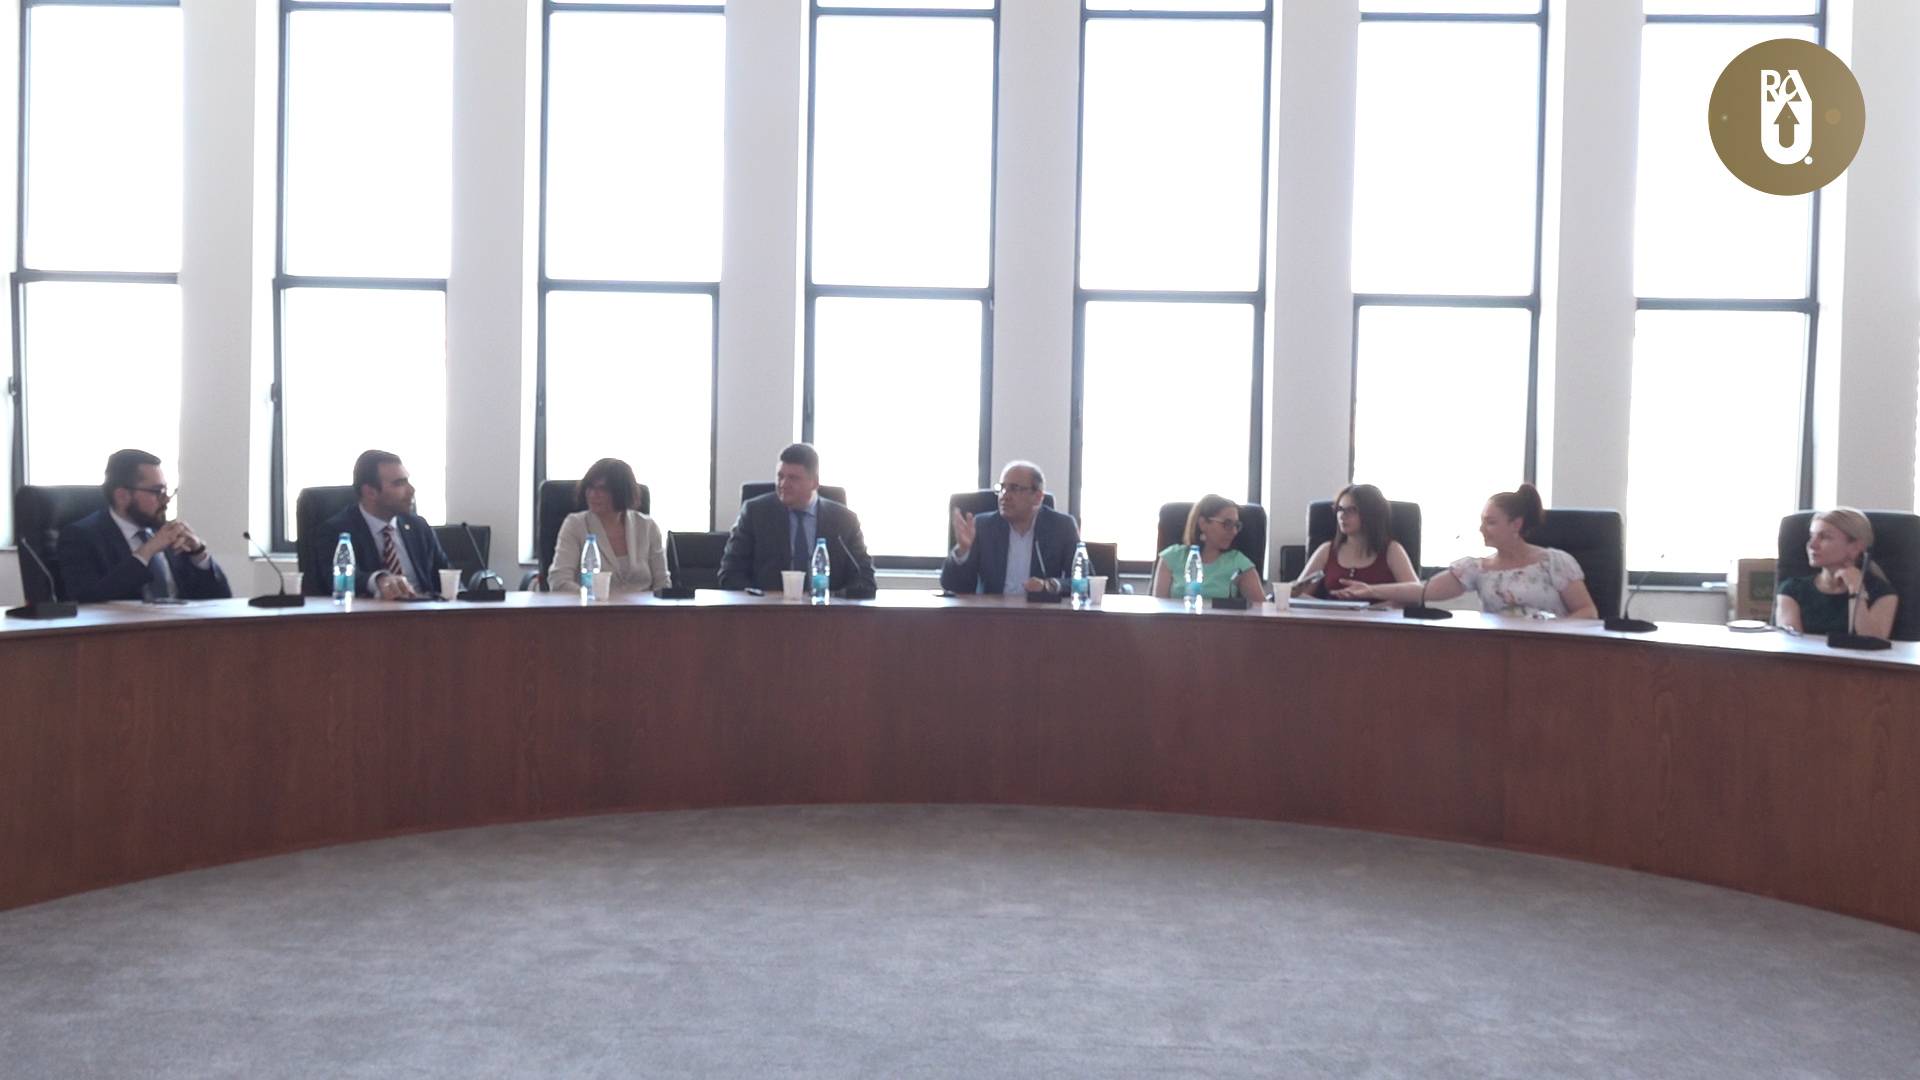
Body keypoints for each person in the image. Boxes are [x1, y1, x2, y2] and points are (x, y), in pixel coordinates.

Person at [1334, 483, 1598, 619]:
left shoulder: (1553, 562)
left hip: (1553, 650)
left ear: (1516, 524)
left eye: (1490, 522)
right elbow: (1424, 590)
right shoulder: (1476, 568)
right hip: (1500, 651)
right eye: (1482, 521)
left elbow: (1588, 611)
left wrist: (1551, 629)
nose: (1482, 529)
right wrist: (1371, 591)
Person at [57, 449, 232, 602]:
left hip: (181, 627)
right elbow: (87, 599)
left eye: (166, 490)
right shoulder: (81, 537)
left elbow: (221, 599)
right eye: (157, 491)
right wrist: (147, 551)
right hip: (125, 629)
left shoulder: (170, 534)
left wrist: (198, 554)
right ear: (122, 496)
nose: (166, 499)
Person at [719, 443, 875, 593]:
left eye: (793, 478)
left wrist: (836, 598)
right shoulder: (755, 514)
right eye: (780, 476)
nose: (783, 484)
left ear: (814, 483)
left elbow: (864, 577)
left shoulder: (845, 521)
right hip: (767, 607)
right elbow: (730, 573)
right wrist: (759, 598)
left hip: (826, 608)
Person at [319, 450, 451, 599]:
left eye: (407, 481)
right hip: (371, 611)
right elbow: (337, 576)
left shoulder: (419, 527)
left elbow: (446, 575)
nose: (411, 490)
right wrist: (379, 579)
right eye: (399, 483)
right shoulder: (337, 530)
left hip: (425, 609)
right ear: (370, 492)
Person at [941, 461, 1080, 596]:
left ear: (1037, 497)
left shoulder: (1062, 527)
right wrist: (962, 551)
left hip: (1039, 610)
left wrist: (1050, 586)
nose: (1005, 496)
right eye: (1002, 488)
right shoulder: (983, 526)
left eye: (1014, 488)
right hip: (992, 610)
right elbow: (952, 586)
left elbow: (1083, 581)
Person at [547, 458, 669, 594]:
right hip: (593, 605)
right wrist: (594, 598)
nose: (593, 494)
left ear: (621, 492)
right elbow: (559, 581)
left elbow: (662, 583)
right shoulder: (575, 525)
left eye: (602, 489)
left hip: (643, 607)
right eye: (590, 487)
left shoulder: (647, 527)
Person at [1776, 508, 1898, 639]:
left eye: (1825, 537)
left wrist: (1857, 592)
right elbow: (1791, 644)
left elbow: (1873, 643)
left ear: (1855, 547)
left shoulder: (1883, 593)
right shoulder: (1792, 590)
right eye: (1812, 536)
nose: (1812, 545)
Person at [1292, 483, 1417, 598]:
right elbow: (1298, 594)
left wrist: (1373, 601)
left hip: (1378, 614)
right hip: (1332, 614)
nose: (1342, 515)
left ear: (1371, 514)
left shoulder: (1392, 550)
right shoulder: (1327, 550)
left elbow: (1415, 593)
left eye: (1352, 510)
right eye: (1340, 509)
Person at [1149, 494, 1266, 605]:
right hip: (1176, 620)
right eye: (1227, 524)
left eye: (1236, 525)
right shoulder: (1171, 557)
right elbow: (1159, 609)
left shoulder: (1238, 562)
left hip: (1221, 620)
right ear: (1203, 523)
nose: (1234, 531)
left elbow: (1261, 609)